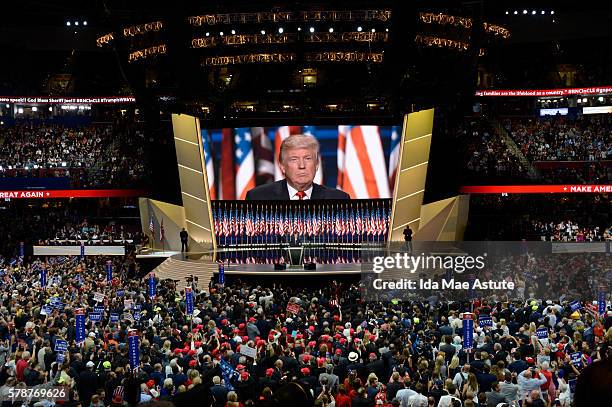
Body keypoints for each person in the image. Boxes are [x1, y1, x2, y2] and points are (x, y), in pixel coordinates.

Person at [246, 134, 350, 200]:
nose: (302, 165)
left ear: (317, 164)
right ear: (282, 166)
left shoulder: (338, 199)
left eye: (308, 158)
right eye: (294, 159)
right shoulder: (258, 197)